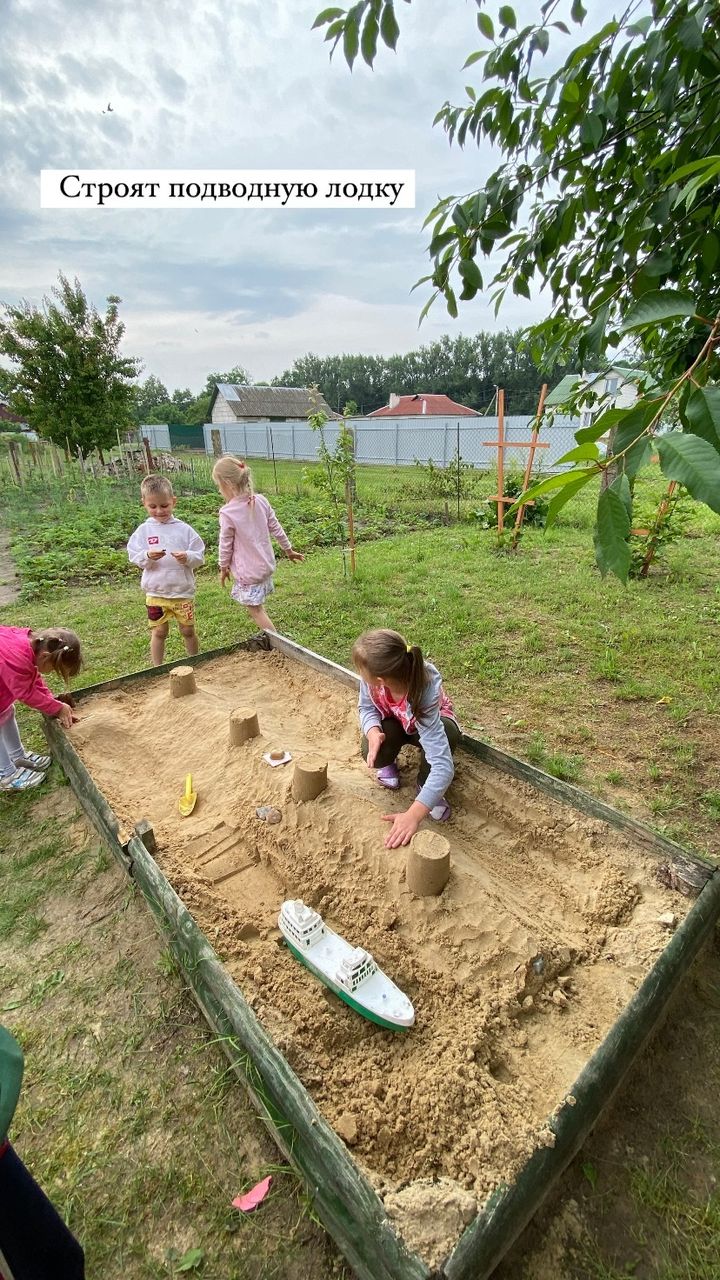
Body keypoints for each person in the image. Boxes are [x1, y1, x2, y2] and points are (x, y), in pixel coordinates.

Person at [352, 628, 462, 849]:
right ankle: (390, 760)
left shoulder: (424, 690)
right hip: (395, 720)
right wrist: (373, 731)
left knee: (448, 734)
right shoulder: (373, 677)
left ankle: (424, 785)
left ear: (381, 680)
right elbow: (366, 707)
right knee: (373, 751)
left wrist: (413, 814)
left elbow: (443, 766)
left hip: (425, 724)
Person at [212, 455, 303, 632]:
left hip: (249, 572)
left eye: (219, 486)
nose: (219, 490)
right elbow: (276, 528)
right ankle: (274, 638)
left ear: (227, 484)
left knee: (256, 611)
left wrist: (223, 567)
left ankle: (277, 642)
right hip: (265, 566)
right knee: (258, 608)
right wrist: (288, 550)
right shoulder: (261, 501)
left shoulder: (228, 512)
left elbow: (225, 545)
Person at [127, 474, 205, 666]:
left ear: (173, 502)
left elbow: (199, 556)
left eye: (164, 505)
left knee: (187, 630)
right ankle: (157, 668)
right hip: (156, 593)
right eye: (153, 506)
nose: (159, 511)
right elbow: (134, 555)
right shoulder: (143, 531)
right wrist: (147, 556)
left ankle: (195, 662)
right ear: (144, 503)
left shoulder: (184, 530)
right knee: (159, 632)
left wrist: (188, 557)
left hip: (182, 593)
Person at [0, 626, 81, 792]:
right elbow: (26, 693)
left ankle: (18, 756)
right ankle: (6, 774)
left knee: (7, 713)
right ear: (45, 656)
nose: (50, 673)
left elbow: (33, 678)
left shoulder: (31, 649)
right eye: (52, 669)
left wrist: (51, 701)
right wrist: (57, 708)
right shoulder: (17, 658)